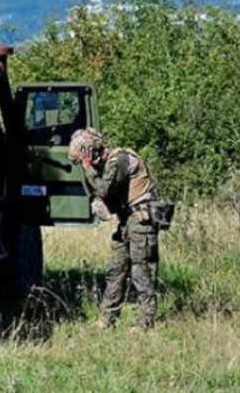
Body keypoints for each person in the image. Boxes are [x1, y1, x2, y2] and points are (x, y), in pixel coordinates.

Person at [68, 129, 160, 330]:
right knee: (115, 271)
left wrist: (88, 168)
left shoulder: (120, 160)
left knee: (141, 270)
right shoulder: (107, 164)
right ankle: (107, 319)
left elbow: (104, 190)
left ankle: (145, 322)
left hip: (140, 220)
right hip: (128, 221)